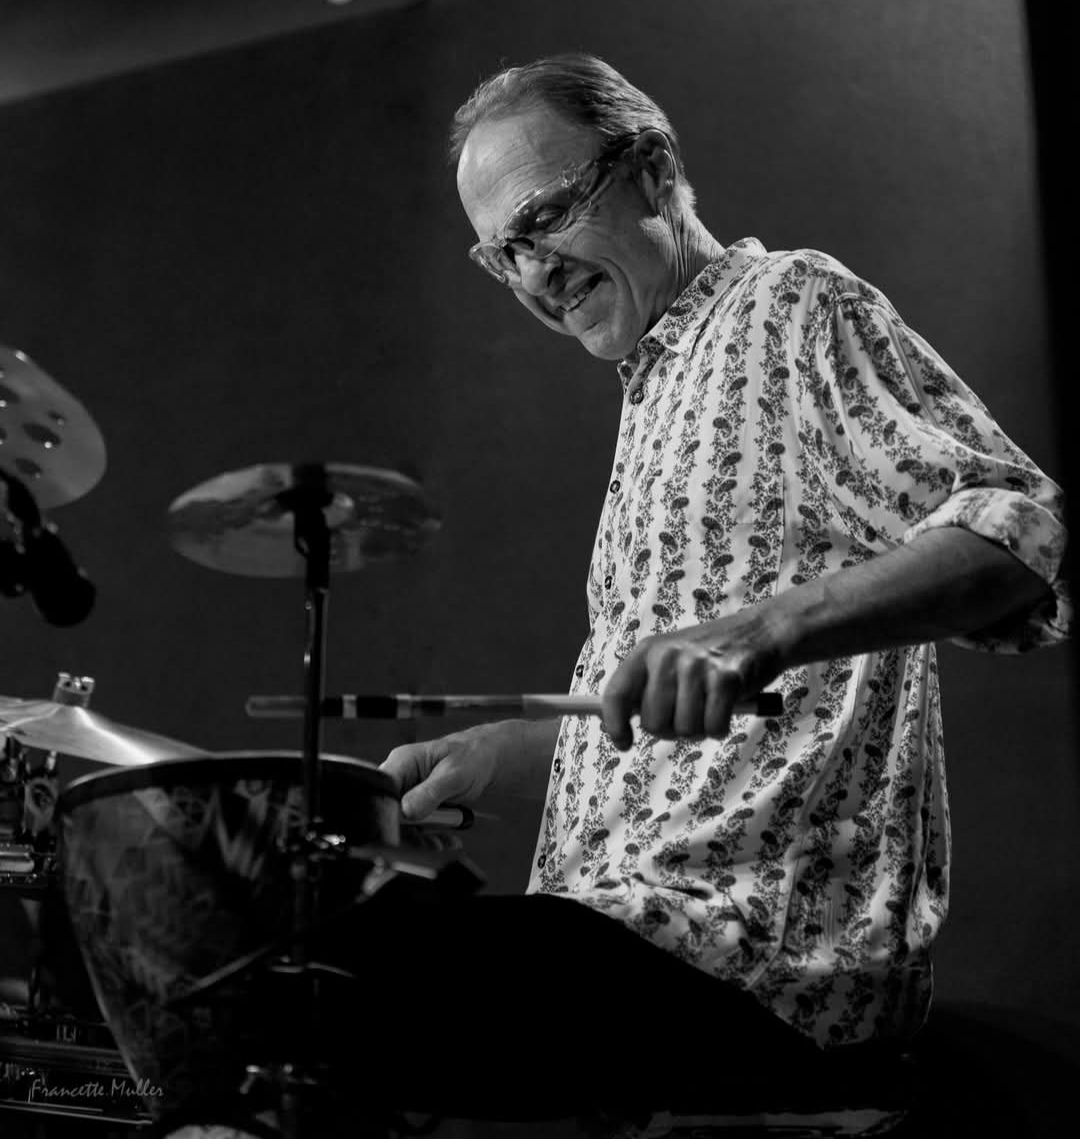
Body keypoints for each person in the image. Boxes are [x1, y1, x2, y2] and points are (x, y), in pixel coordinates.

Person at [367, 52, 1071, 1123]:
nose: (534, 273)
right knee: (325, 965)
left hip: (756, 958)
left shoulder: (787, 306)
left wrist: (758, 631)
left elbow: (1024, 532)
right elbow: (697, 725)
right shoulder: (657, 384)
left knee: (327, 978)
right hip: (636, 935)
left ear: (651, 172)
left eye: (545, 217)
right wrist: (505, 753)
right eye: (502, 252)